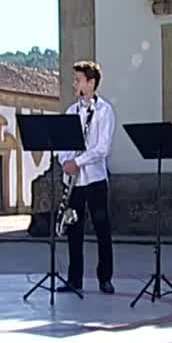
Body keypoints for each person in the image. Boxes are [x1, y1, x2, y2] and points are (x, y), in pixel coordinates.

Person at [57, 60, 115, 295]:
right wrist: (65, 162)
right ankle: (74, 279)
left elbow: (103, 148)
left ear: (91, 82)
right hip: (74, 182)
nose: (75, 84)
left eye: (79, 79)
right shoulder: (71, 111)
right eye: (75, 79)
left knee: (102, 229)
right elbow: (63, 143)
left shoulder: (105, 111)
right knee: (74, 229)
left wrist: (77, 162)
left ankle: (105, 278)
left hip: (95, 179)